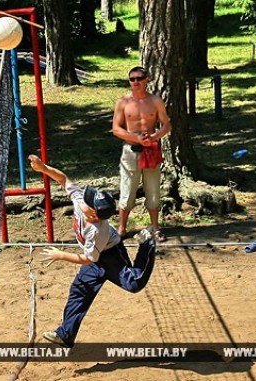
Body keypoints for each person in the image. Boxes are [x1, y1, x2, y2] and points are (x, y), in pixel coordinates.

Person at [28, 154, 156, 348]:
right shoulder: (82, 203)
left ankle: (147, 243)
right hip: (94, 257)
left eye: (88, 202)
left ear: (94, 214)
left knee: (134, 284)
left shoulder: (98, 231)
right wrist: (43, 168)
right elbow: (64, 179)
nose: (83, 201)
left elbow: (88, 259)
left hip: (110, 255)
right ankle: (65, 335)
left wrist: (60, 255)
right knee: (79, 290)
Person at [112, 66, 172, 242]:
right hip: (130, 151)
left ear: (147, 79)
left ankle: (156, 228)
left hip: (151, 150)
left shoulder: (155, 101)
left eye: (139, 78)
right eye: (132, 79)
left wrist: (154, 137)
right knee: (127, 191)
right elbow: (116, 129)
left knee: (153, 190)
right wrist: (136, 138)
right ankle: (122, 229)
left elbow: (166, 125)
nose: (136, 82)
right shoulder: (123, 102)